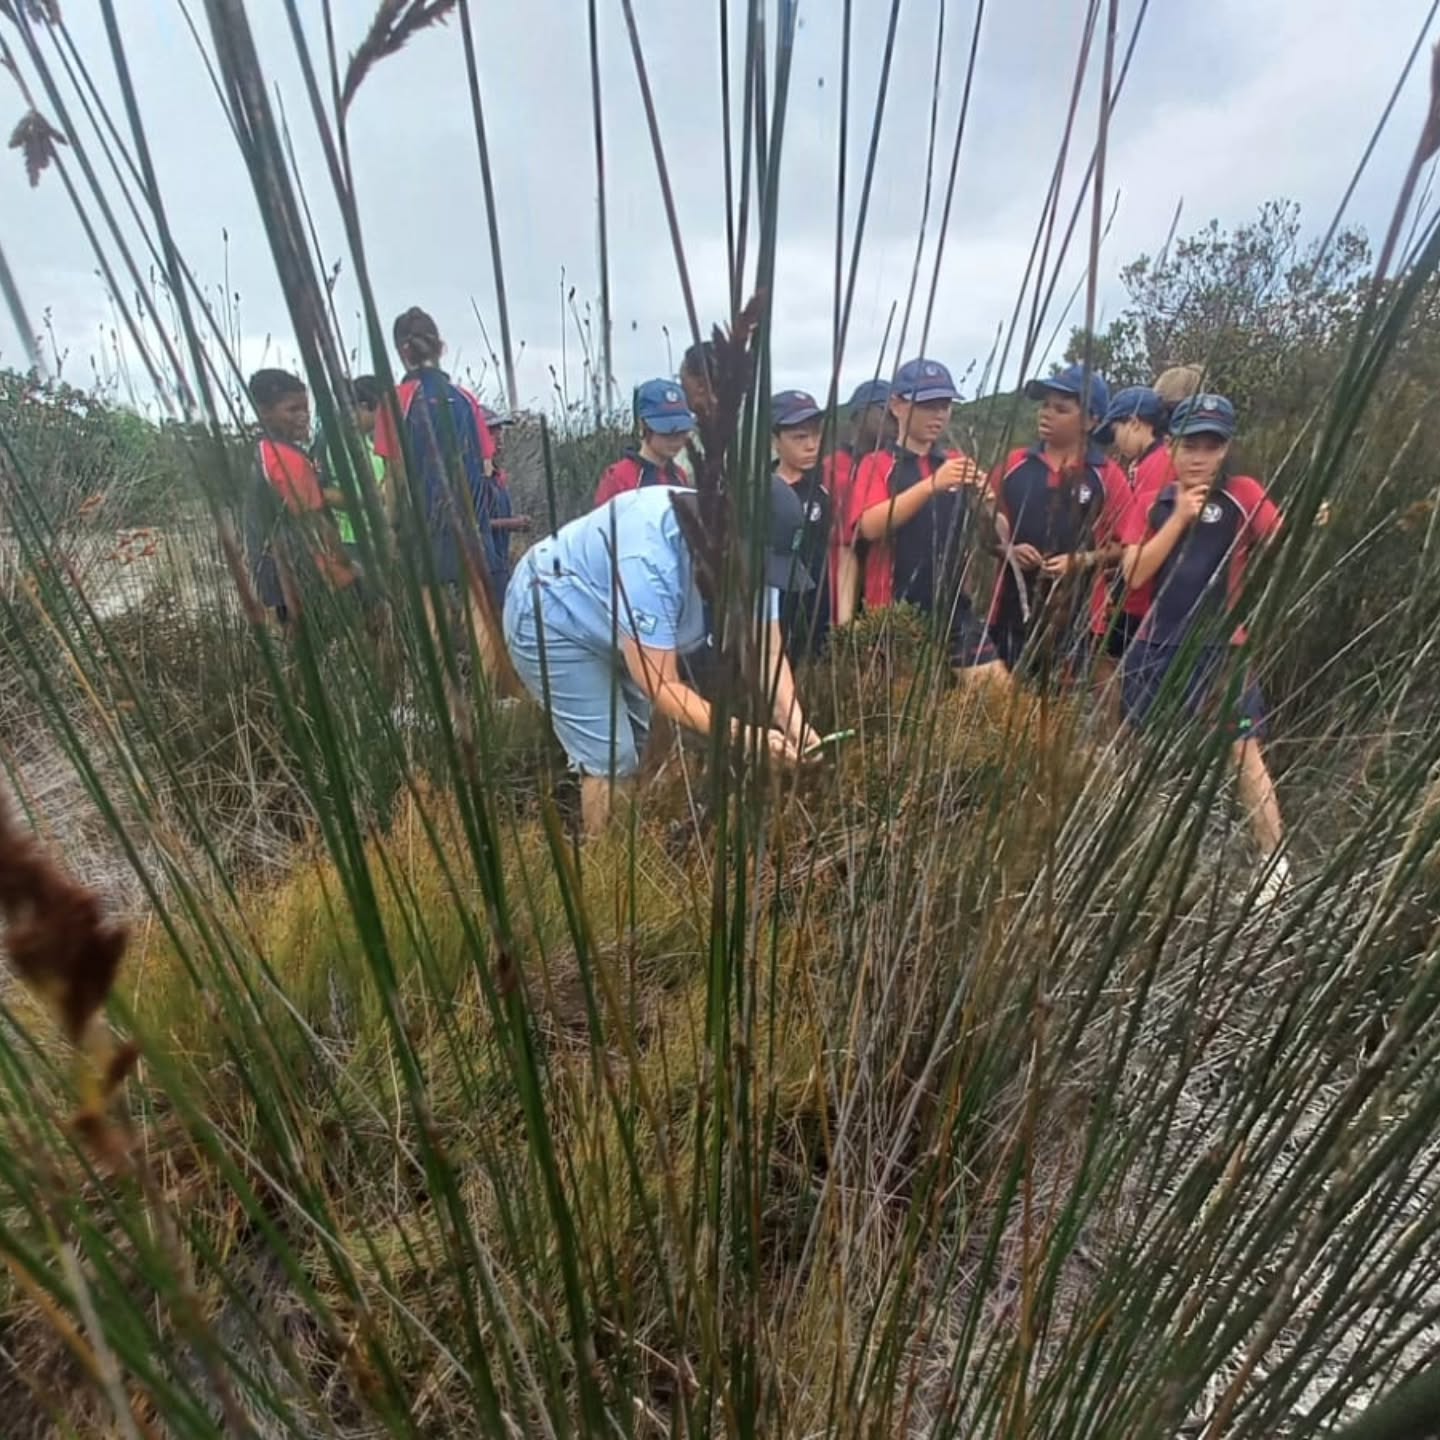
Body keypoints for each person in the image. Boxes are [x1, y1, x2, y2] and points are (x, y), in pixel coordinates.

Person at [503, 476, 819, 836]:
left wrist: (794, 720)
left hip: (612, 620)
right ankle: (604, 872)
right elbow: (661, 683)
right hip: (551, 614)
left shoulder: (751, 558)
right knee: (612, 757)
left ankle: (611, 836)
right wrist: (743, 735)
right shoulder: (650, 555)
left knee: (635, 746)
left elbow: (767, 647)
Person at [1116, 393, 1290, 902]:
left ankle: (1275, 867)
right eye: (1190, 444)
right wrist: (1177, 521)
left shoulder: (1242, 493)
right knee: (1145, 754)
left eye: (1211, 446)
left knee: (1243, 753)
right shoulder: (1154, 499)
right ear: (1170, 446)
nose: (1199, 456)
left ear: (1226, 448)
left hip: (1220, 648)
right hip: (1155, 646)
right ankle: (1145, 863)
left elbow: (1282, 539)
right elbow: (1134, 573)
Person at [845, 358, 1007, 686]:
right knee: (903, 716)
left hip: (954, 609)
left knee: (1001, 701)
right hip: (894, 611)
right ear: (898, 406)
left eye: (944, 405)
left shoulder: (957, 463)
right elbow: (869, 526)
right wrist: (931, 485)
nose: (938, 415)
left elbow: (998, 537)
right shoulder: (877, 464)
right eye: (927, 405)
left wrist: (987, 504)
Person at [373, 307, 503, 671]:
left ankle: (448, 692)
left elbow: (395, 476)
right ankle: (491, 692)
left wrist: (392, 528)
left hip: (423, 524)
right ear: (439, 347)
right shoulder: (465, 398)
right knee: (478, 606)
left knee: (431, 608)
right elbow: (486, 465)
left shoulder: (394, 402)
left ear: (402, 350)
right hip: (471, 518)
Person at [987, 362, 1129, 677]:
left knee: (1063, 711)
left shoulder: (1107, 475)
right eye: (1045, 406)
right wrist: (1009, 550)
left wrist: (1080, 560)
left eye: (1061, 409)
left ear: (1091, 421)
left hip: (1079, 619)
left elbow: (1128, 548)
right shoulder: (1015, 464)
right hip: (1010, 614)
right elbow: (987, 533)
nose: (1046, 414)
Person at [242, 368, 354, 628]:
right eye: (292, 410)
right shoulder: (285, 459)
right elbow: (316, 525)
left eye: (305, 408)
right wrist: (348, 567)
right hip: (299, 570)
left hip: (273, 569)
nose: (304, 416)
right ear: (264, 413)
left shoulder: (263, 451)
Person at [1094, 385, 1174, 676]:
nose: (1116, 443)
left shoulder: (1156, 465)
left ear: (1134, 423)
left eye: (1116, 431)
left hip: (1144, 598)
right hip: (1142, 593)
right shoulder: (1152, 461)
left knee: (1114, 667)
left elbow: (1149, 530)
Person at [770, 388, 832, 657]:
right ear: (776, 440)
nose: (811, 445)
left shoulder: (823, 487)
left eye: (816, 435)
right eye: (800, 437)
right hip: (775, 615)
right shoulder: (762, 492)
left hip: (818, 607)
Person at [826, 379, 894, 626]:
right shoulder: (834, 469)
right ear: (860, 414)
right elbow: (844, 544)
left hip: (885, 592)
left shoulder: (892, 465)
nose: (893, 416)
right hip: (837, 591)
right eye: (883, 409)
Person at [593, 380, 694, 507]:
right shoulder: (618, 478)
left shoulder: (679, 475)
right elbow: (604, 524)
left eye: (681, 431)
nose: (676, 439)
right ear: (643, 425)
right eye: (666, 431)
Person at [481, 406, 532, 601]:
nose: (499, 437)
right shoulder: (475, 477)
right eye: (492, 432)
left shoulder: (495, 476)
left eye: (500, 430)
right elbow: (476, 523)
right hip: (485, 569)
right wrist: (512, 524)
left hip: (500, 564)